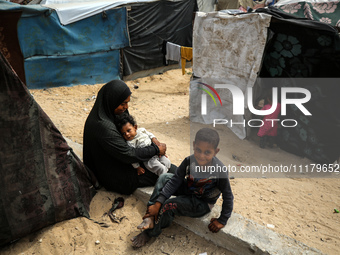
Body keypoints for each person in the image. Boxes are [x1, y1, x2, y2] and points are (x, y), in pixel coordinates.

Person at [131, 128, 234, 248]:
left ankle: (150, 233)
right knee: (165, 178)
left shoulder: (219, 170)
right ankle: (150, 215)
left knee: (169, 205)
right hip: (188, 190)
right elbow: (175, 180)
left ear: (216, 152)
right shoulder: (189, 161)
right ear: (194, 145)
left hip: (201, 203)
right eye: (198, 150)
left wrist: (222, 220)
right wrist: (158, 202)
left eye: (207, 152)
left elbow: (228, 196)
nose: (201, 156)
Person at [83, 80, 169, 195]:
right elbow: (128, 154)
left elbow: (134, 134)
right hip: (112, 175)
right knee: (166, 173)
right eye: (122, 103)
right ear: (112, 101)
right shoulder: (103, 125)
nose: (126, 107)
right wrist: (156, 149)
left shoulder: (110, 113)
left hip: (121, 162)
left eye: (127, 103)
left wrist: (153, 140)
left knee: (165, 166)